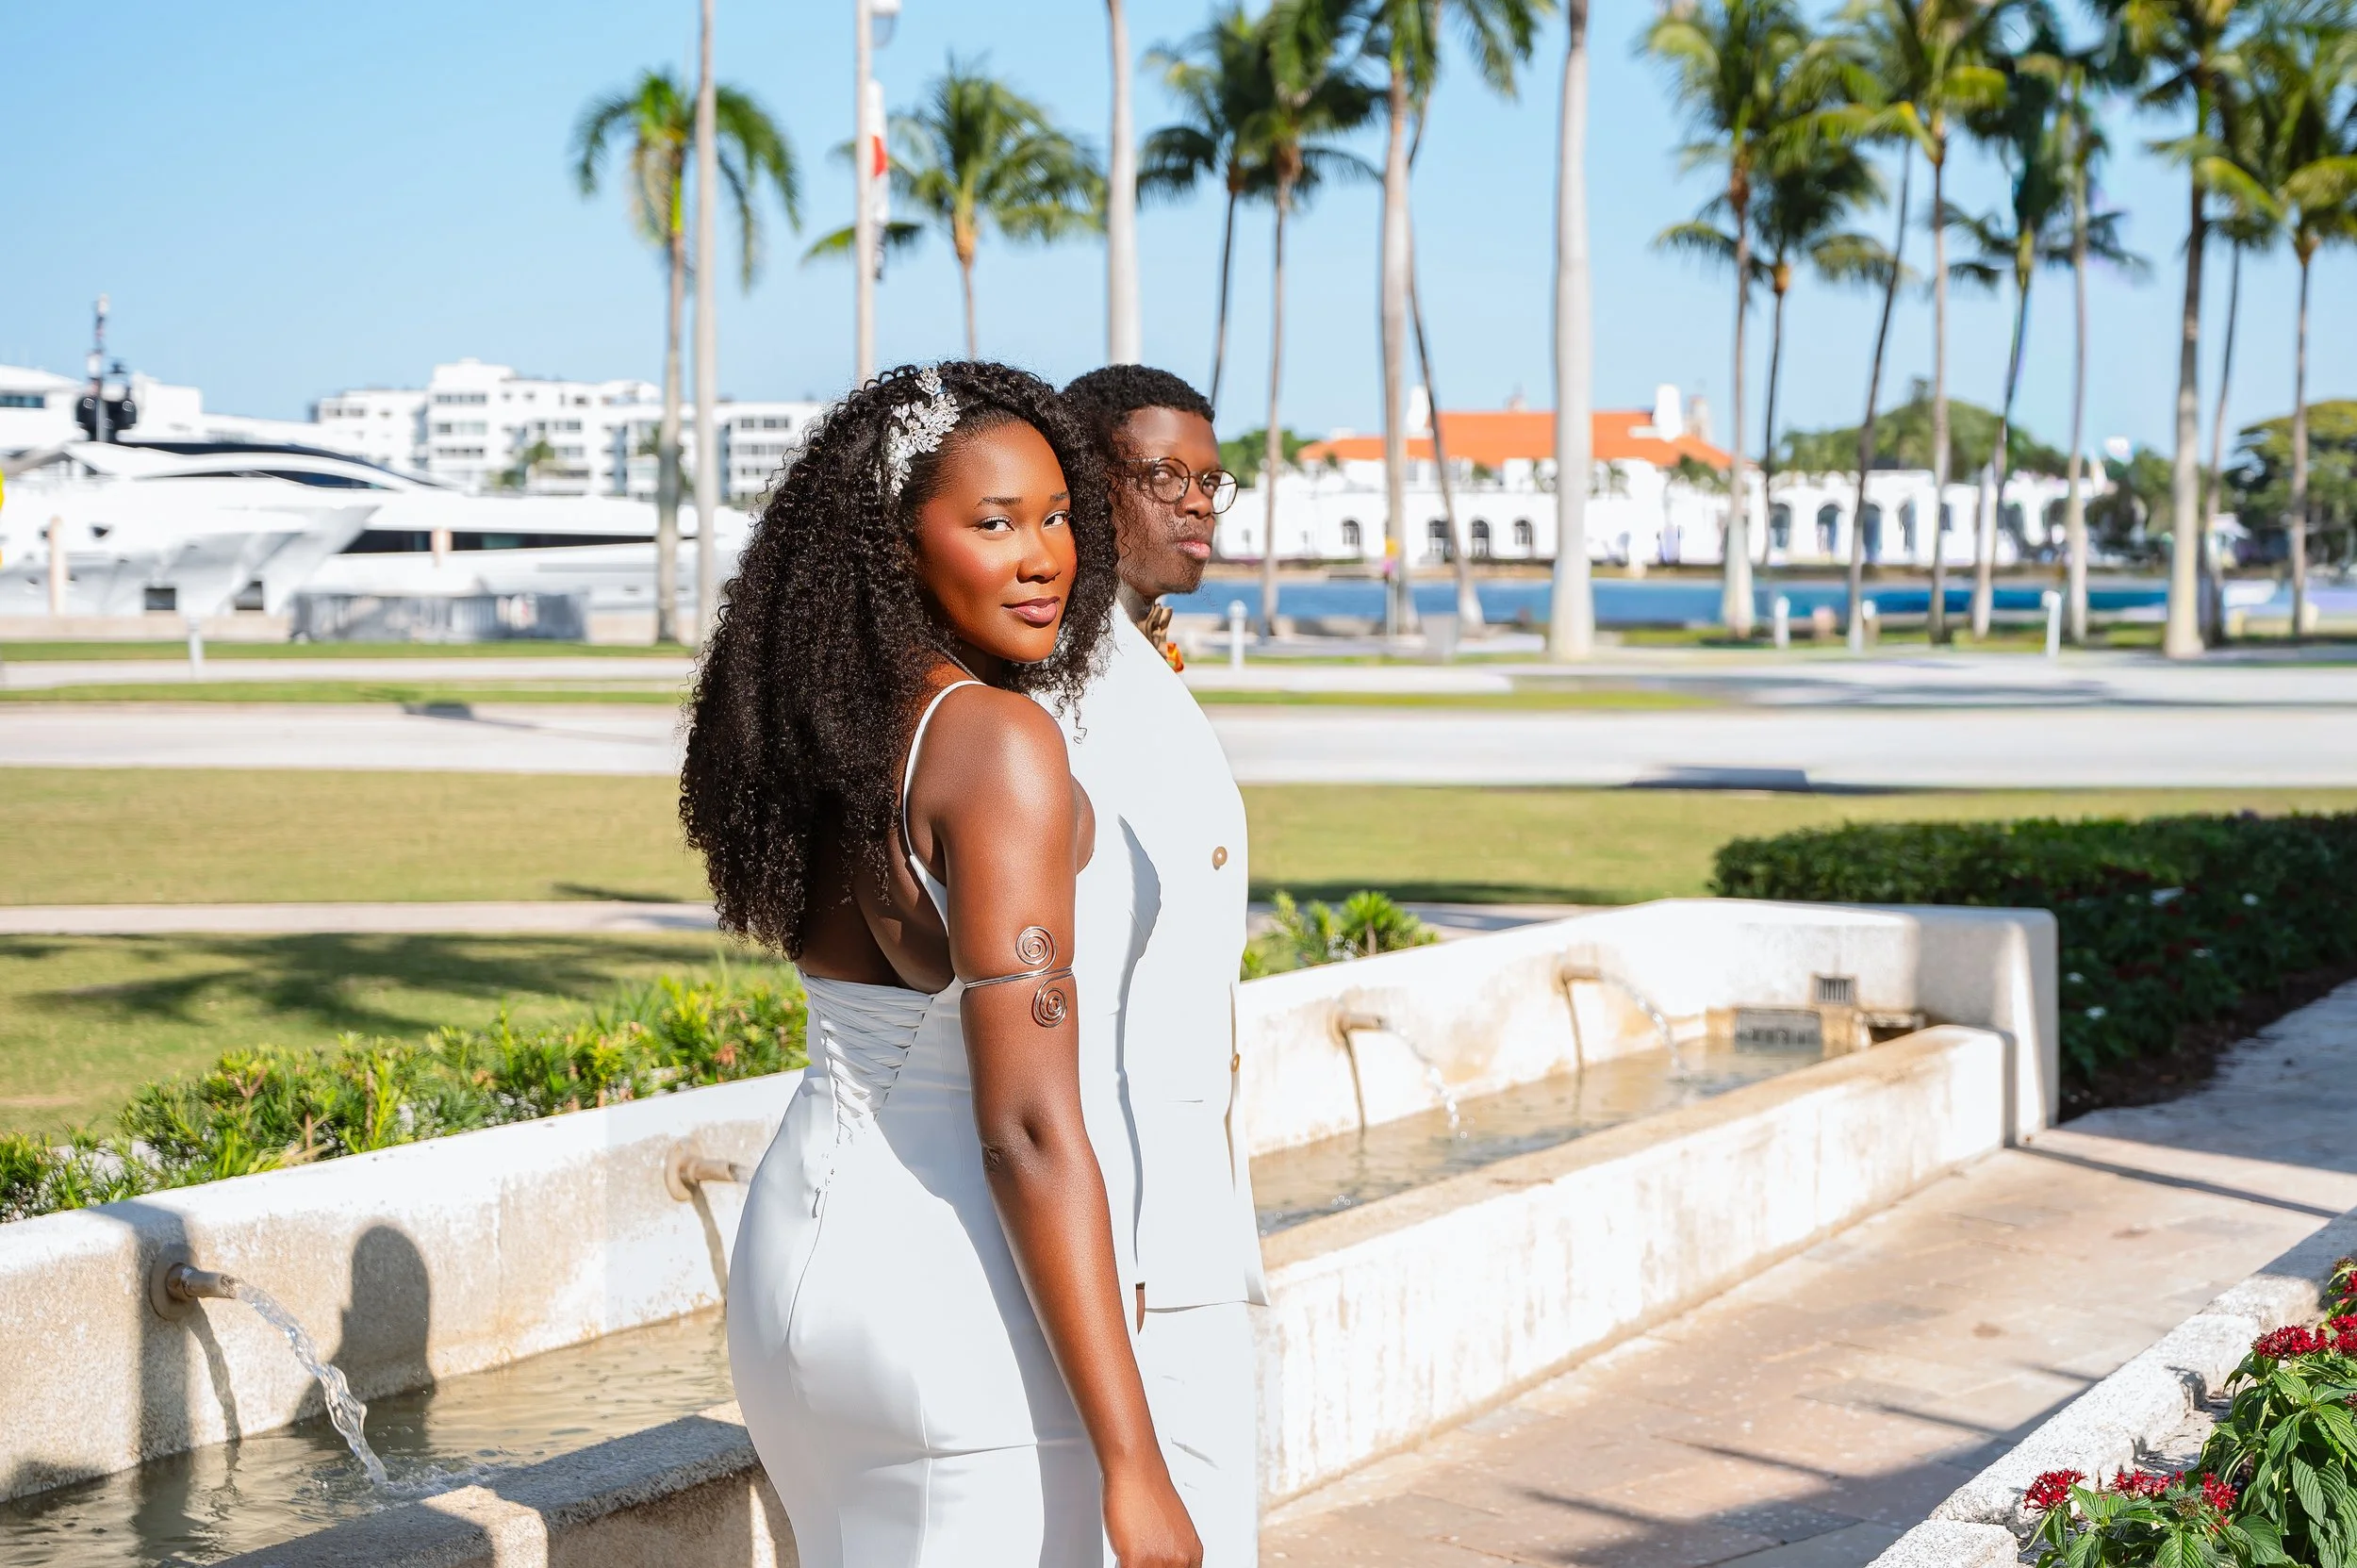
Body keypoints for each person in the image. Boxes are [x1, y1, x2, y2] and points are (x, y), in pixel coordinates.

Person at [684, 362, 1201, 1568]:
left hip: (802, 1274)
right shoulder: (995, 745)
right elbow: (1024, 1127)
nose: (1044, 557)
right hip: (959, 1289)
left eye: (1058, 514)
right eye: (993, 522)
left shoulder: (834, 735)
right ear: (893, 544)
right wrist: (1137, 1462)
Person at [1056, 366, 1265, 1568]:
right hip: (1128, 1229)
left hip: (1179, 1205)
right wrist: (1117, 1249)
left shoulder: (1128, 658)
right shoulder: (1067, 688)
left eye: (1208, 478)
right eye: (1164, 477)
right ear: (1093, 486)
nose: (1200, 504)